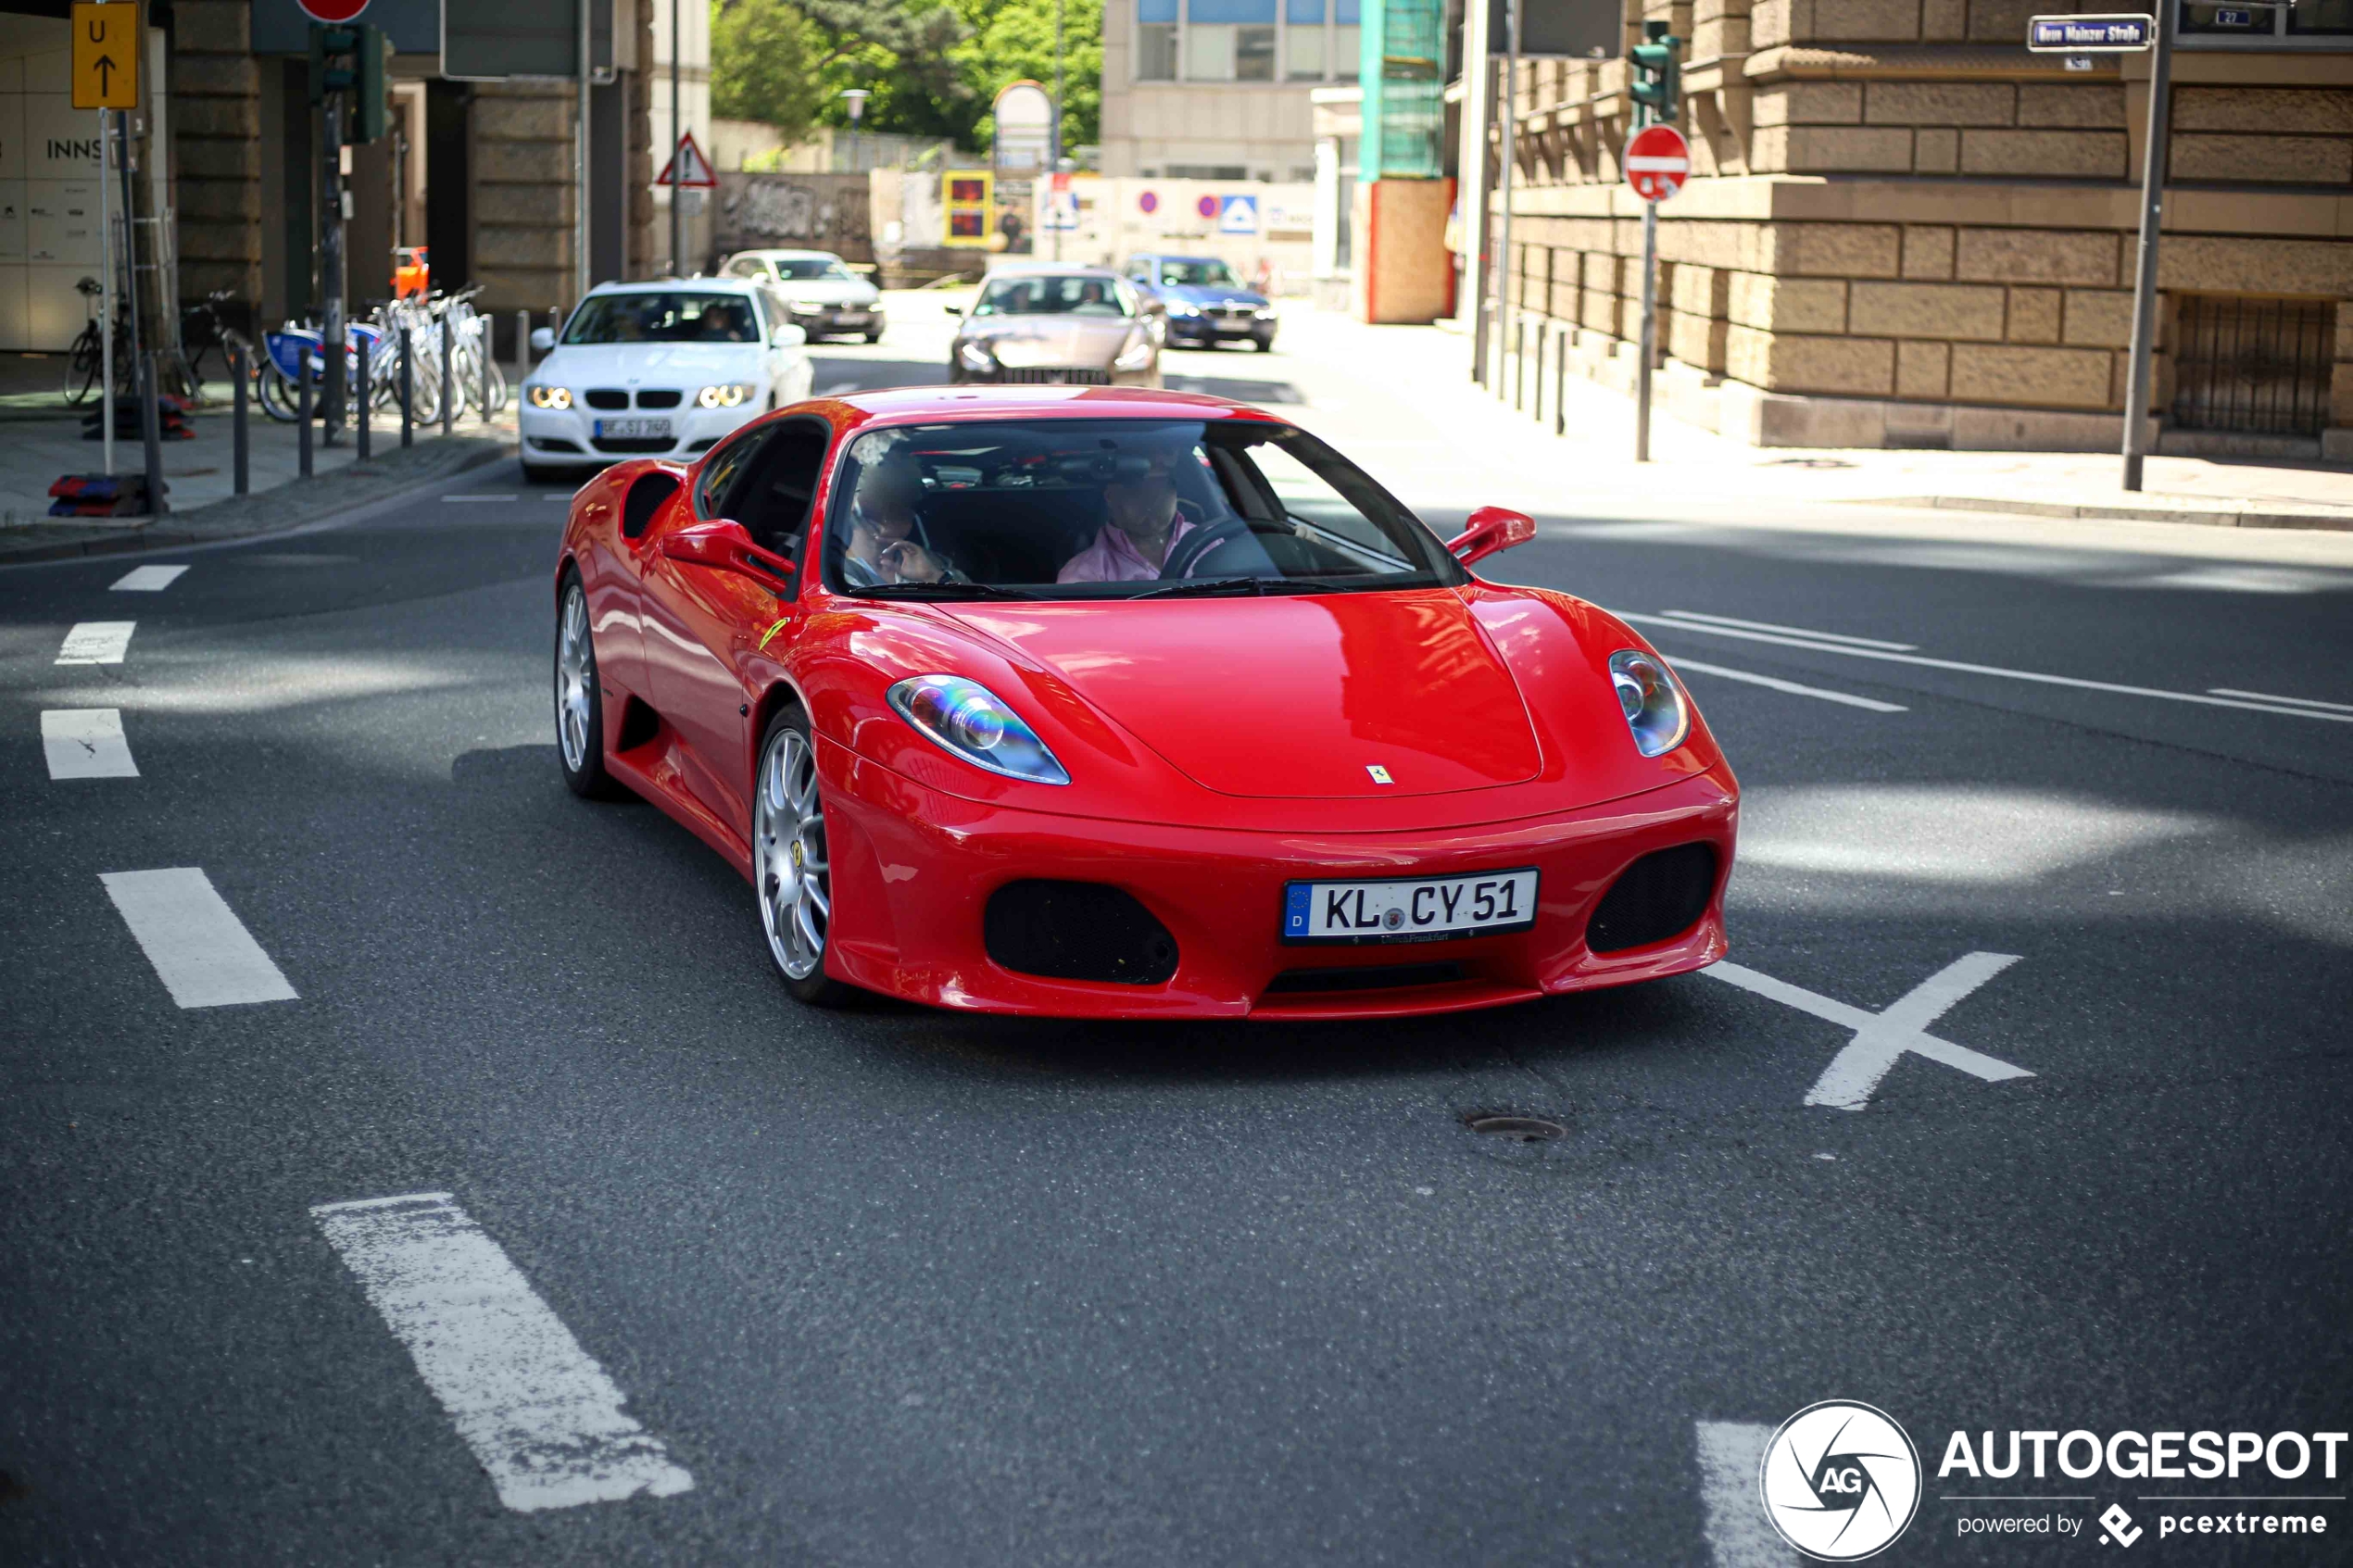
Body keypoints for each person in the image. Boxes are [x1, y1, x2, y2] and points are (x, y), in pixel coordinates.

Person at [1058, 440, 1202, 583]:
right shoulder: (1086, 574)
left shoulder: (1209, 543)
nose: (1150, 501)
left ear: (1175, 493)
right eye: (1136, 489)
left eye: (1160, 487)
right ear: (1111, 496)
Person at [841, 454, 961, 586]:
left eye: (910, 495)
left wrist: (935, 577)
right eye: (889, 496)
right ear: (851, 503)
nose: (909, 508)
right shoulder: (834, 576)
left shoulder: (934, 563)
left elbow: (974, 602)